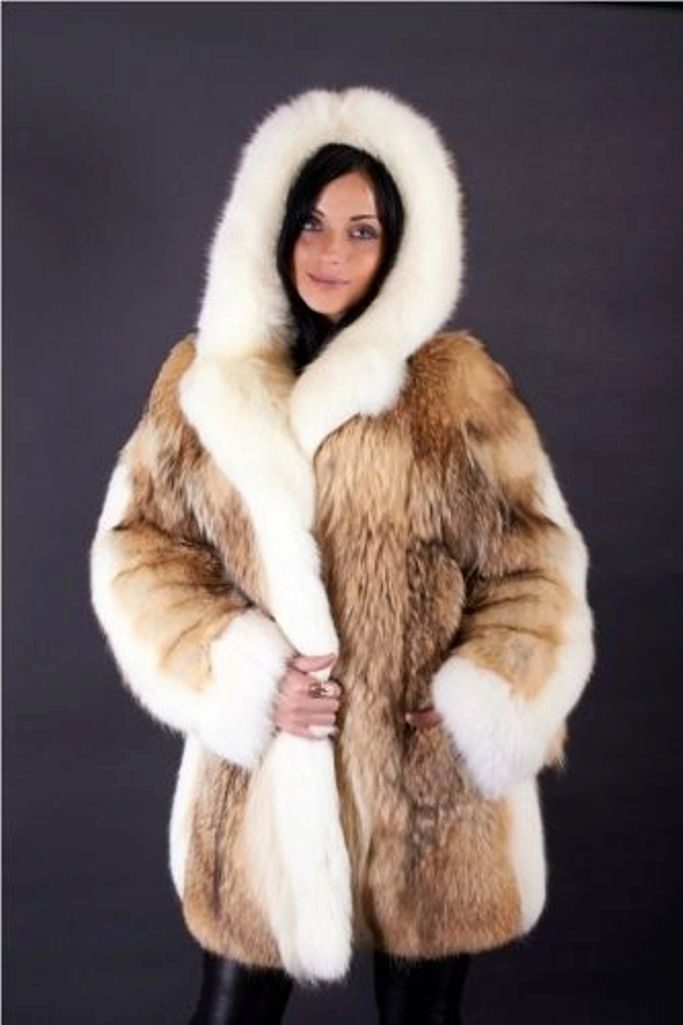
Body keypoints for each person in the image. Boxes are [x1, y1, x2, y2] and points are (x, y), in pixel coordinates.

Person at [89, 87, 595, 1025]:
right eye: (312, 224)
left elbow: (537, 564)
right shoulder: (206, 386)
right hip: (262, 786)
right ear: (272, 228)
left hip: (425, 789)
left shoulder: (453, 388)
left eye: (363, 231)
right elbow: (138, 549)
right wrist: (239, 673)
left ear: (401, 246)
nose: (332, 252)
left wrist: (481, 693)